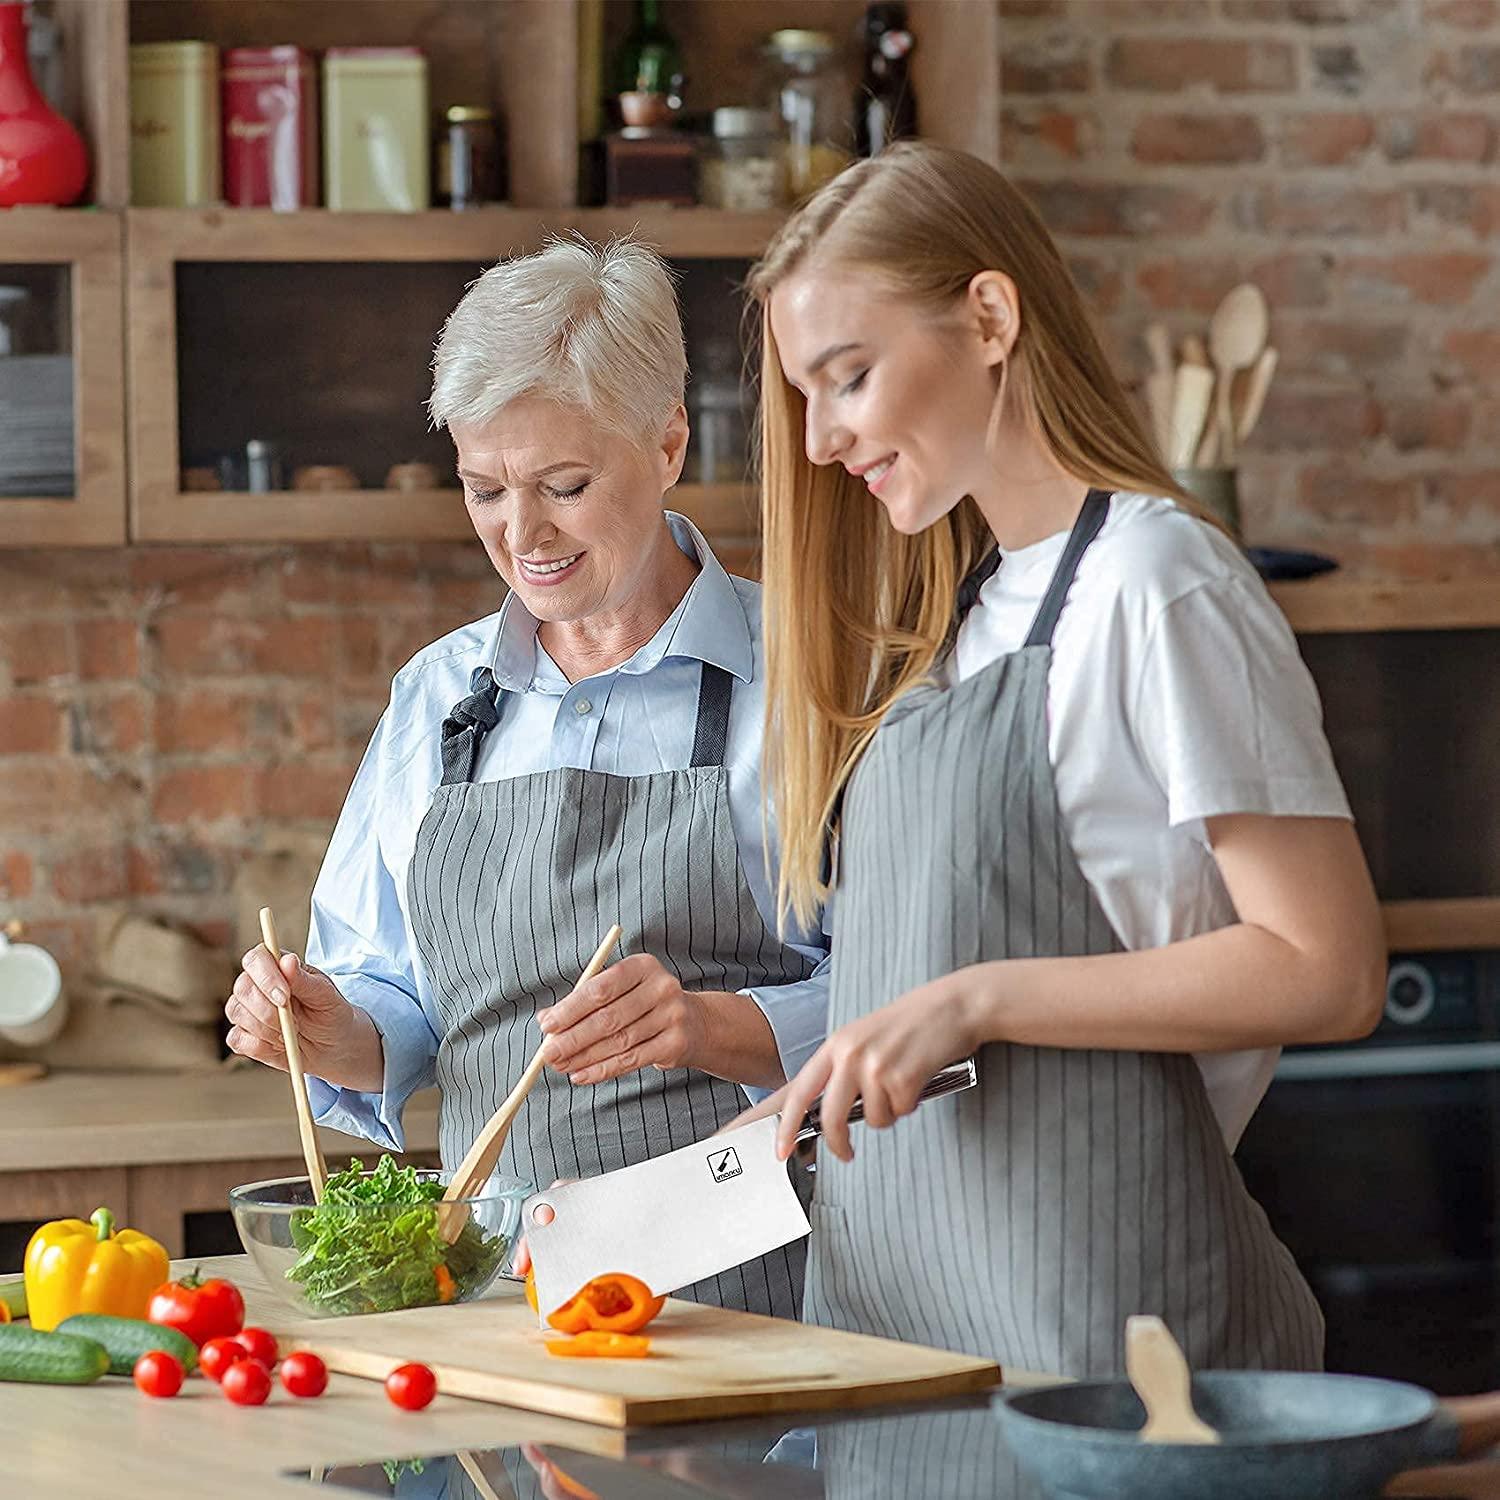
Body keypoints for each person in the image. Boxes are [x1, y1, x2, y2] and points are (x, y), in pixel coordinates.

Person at [746, 142, 1386, 1375]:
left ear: (990, 318)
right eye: (805, 396)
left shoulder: (1159, 581)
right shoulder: (954, 626)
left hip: (1108, 1338)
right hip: (897, 1337)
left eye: (849, 377)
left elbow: (1329, 968)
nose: (819, 439)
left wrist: (973, 1000)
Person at [225, 237, 828, 1319]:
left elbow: (912, 995)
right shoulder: (437, 699)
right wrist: (321, 1029)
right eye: (484, 489)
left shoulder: (808, 684)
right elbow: (400, 1009)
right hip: (496, 1296)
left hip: (751, 1297)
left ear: (670, 441)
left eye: (564, 485)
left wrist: (708, 1023)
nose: (522, 533)